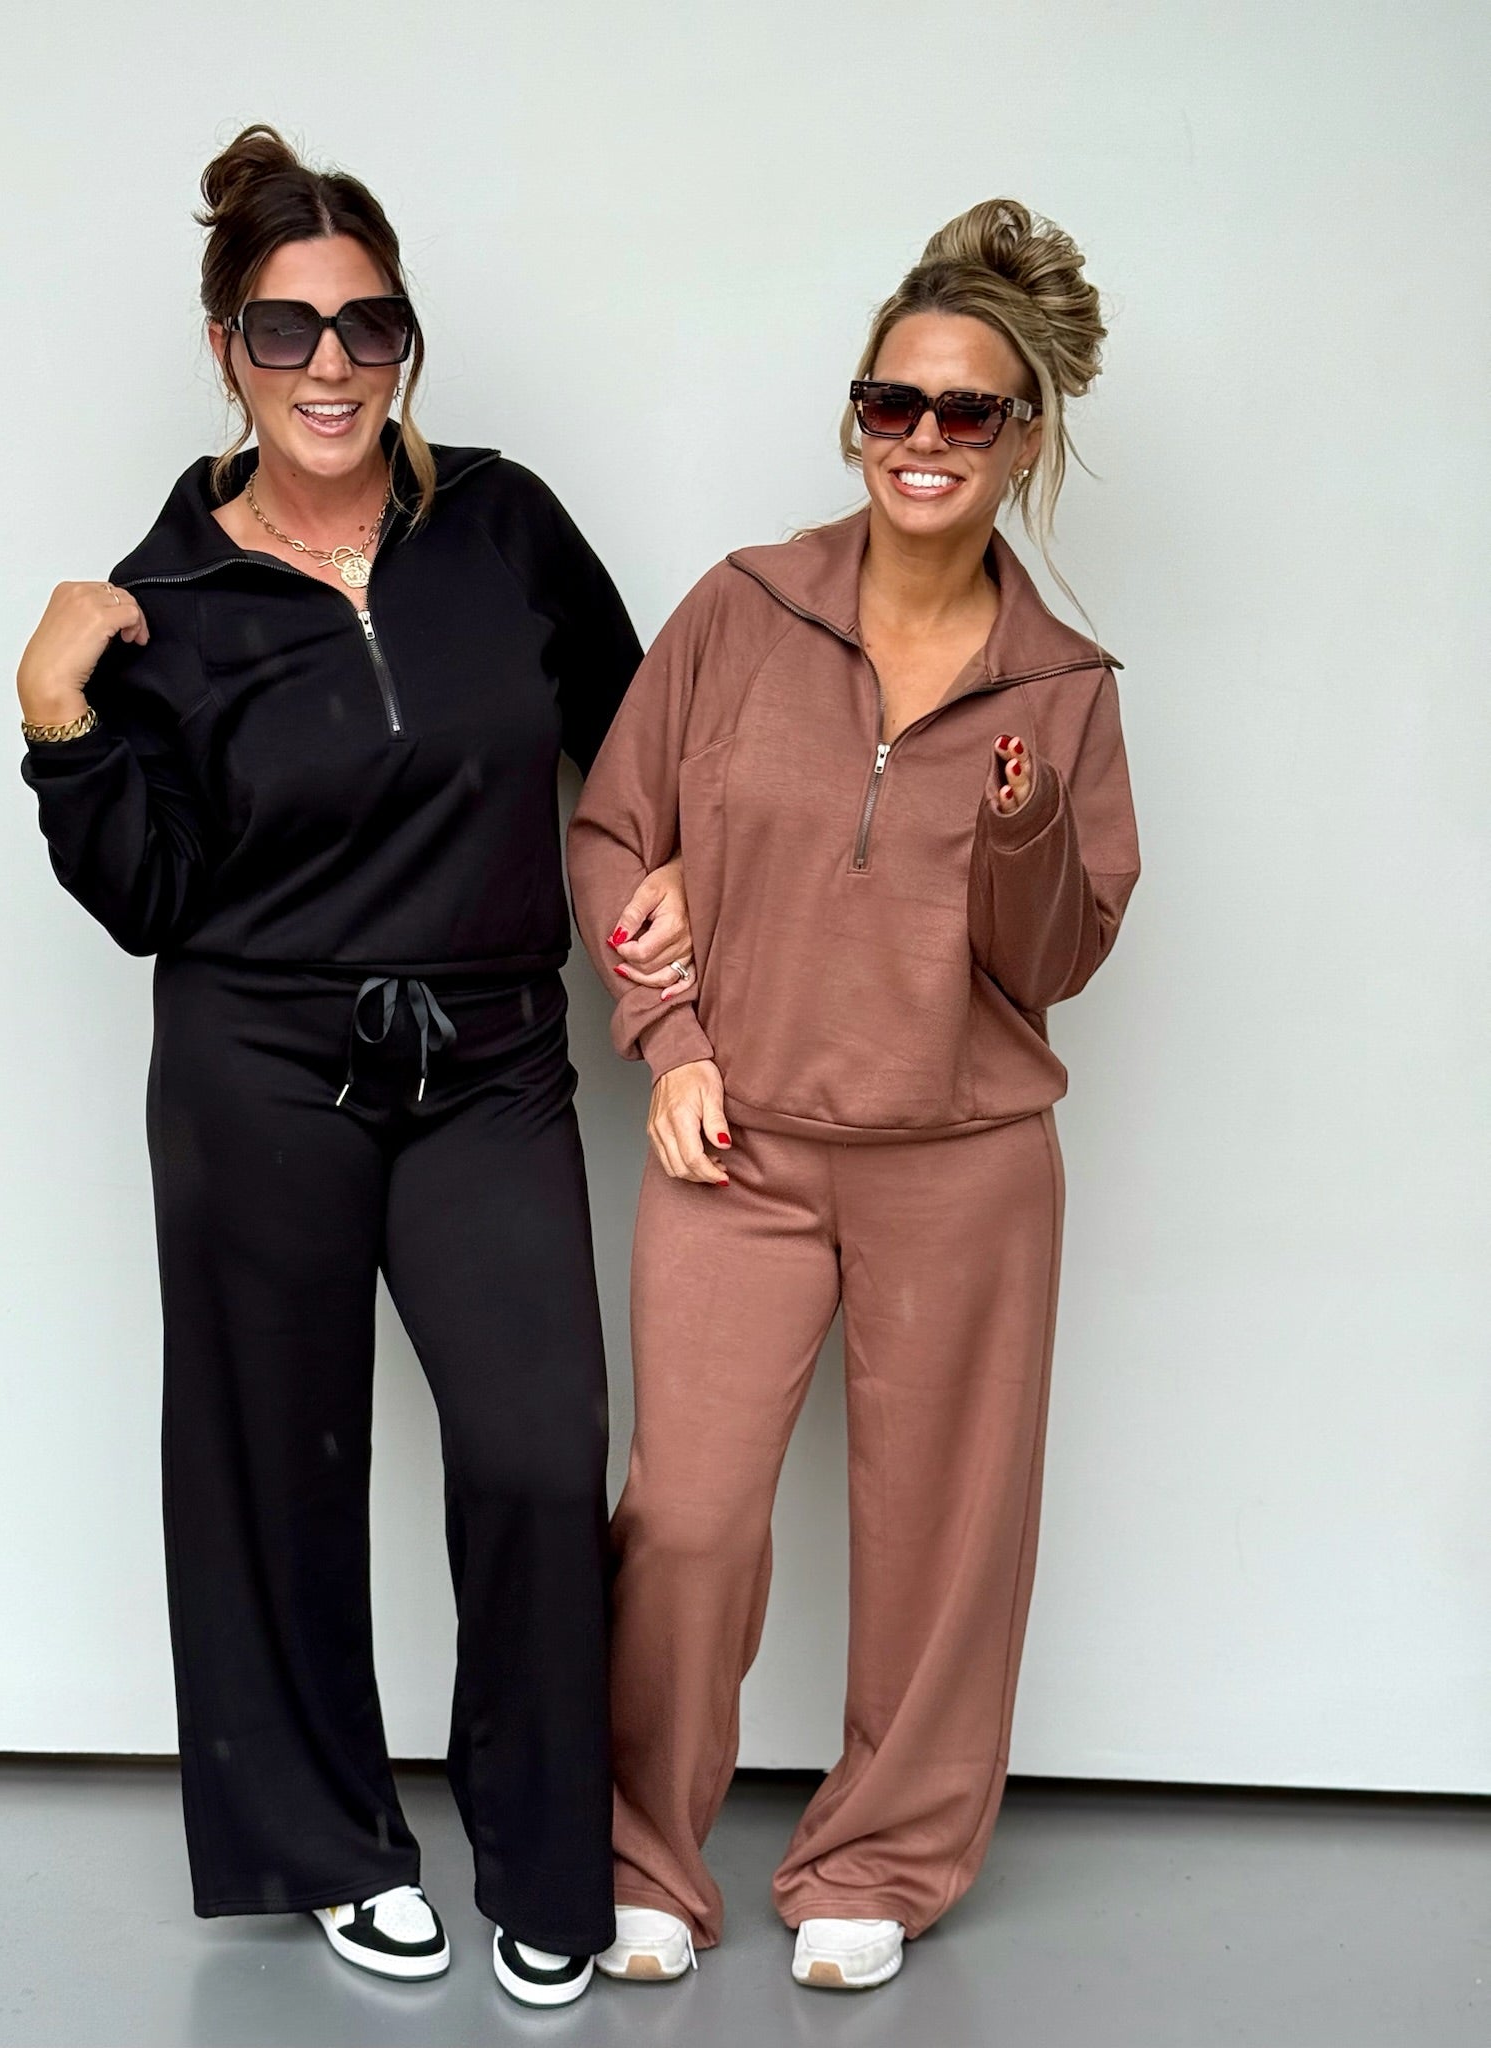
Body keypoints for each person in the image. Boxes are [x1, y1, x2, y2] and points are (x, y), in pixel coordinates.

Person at [16, 124, 690, 2010]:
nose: (331, 365)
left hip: (489, 1059)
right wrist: (60, 715)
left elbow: (639, 744)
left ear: (407, 338)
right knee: (276, 1465)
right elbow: (147, 895)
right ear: (223, 347)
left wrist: (673, 885)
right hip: (258, 1066)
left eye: (367, 325)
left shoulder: (504, 525)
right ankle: (328, 1846)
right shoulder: (167, 598)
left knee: (537, 1450)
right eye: (284, 328)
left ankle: (546, 1853)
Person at [568, 198, 1139, 1993]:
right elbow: (614, 834)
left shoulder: (1065, 686)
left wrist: (1025, 825)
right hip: (738, 1148)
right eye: (894, 403)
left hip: (965, 1166)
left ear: (1022, 439)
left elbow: (1050, 965)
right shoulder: (741, 611)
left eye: (968, 411)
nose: (924, 438)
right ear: (854, 420)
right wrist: (669, 1040)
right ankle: (642, 1852)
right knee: (686, 1519)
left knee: (943, 1539)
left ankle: (878, 1860)